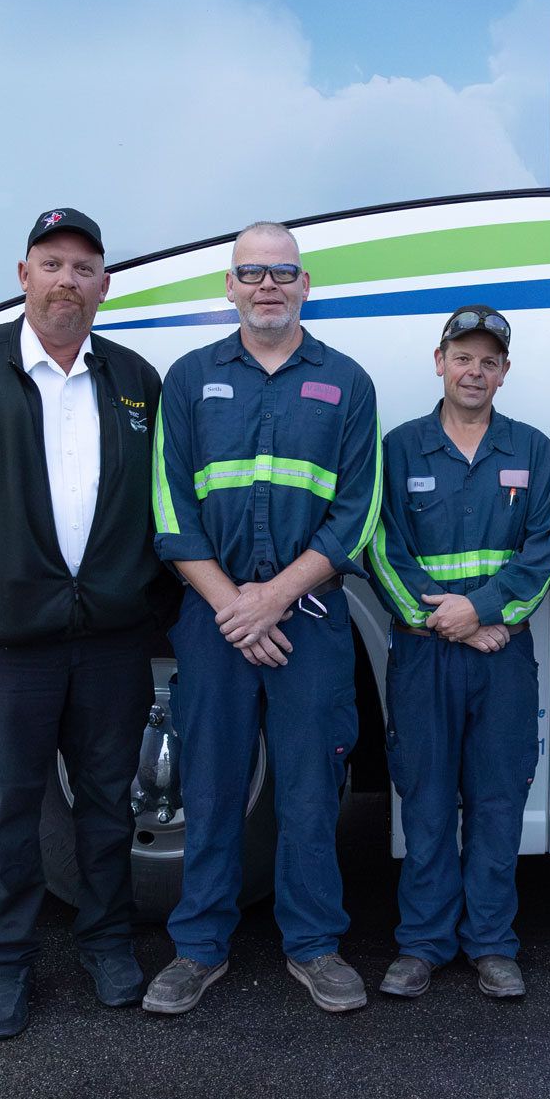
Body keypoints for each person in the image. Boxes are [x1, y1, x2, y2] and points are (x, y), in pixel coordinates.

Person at [0, 208, 176, 1040]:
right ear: (23, 276)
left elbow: (161, 505)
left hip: (113, 644)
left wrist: (145, 607)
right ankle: (6, 966)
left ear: (104, 286)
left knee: (107, 807)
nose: (67, 282)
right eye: (52, 264)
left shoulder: (133, 380)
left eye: (84, 269)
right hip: (7, 646)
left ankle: (108, 945)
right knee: (9, 808)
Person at [144, 221, 382, 1015]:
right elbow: (170, 508)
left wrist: (272, 598)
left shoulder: (347, 383)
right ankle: (199, 949)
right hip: (212, 620)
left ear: (306, 284)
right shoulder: (187, 379)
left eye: (283, 273)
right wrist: (233, 605)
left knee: (311, 791)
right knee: (209, 789)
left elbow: (356, 513)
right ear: (230, 287)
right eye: (252, 273)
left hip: (307, 618)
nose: (267, 285)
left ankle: (313, 946)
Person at [366, 305, 550, 1000]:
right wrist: (450, 620)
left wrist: (478, 612)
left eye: (488, 361)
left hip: (502, 657)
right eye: (462, 357)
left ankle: (491, 944)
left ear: (504, 373)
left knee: (497, 799)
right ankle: (421, 943)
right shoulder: (398, 448)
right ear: (439, 362)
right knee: (424, 799)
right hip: (424, 656)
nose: (474, 371)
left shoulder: (532, 450)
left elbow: (541, 557)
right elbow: (381, 551)